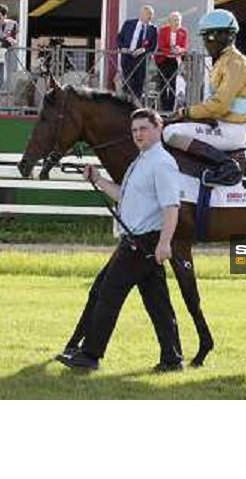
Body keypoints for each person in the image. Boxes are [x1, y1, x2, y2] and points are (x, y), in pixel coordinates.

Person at [57, 107, 184, 372]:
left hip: (142, 243)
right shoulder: (142, 161)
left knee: (108, 294)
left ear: (158, 129)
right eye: (135, 130)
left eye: (144, 129)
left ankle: (90, 356)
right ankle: (172, 360)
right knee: (158, 304)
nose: (138, 134)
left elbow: (171, 206)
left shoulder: (161, 163)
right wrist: (99, 179)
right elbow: (123, 196)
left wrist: (164, 243)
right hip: (138, 241)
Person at [163, 9, 246, 187]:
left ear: (224, 36)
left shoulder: (235, 63)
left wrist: (185, 112)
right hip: (222, 124)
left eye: (209, 37)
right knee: (171, 126)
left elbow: (219, 106)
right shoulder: (223, 60)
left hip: (232, 130)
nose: (206, 43)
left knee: (171, 133)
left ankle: (227, 165)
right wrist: (188, 115)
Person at [117, 5, 158, 99]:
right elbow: (119, 38)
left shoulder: (153, 29)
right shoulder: (129, 23)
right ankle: (125, 104)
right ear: (141, 14)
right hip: (127, 57)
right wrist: (122, 48)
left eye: (151, 15)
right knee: (127, 82)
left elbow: (153, 46)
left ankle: (136, 105)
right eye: (147, 14)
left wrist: (143, 49)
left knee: (139, 84)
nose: (149, 17)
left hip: (141, 59)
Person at [155, 11, 189, 112]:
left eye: (178, 20)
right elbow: (161, 46)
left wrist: (180, 50)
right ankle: (163, 108)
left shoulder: (184, 31)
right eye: (174, 20)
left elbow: (185, 47)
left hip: (174, 60)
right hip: (163, 59)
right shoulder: (163, 30)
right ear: (169, 21)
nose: (177, 22)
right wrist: (171, 51)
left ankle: (170, 109)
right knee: (163, 83)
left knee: (173, 84)